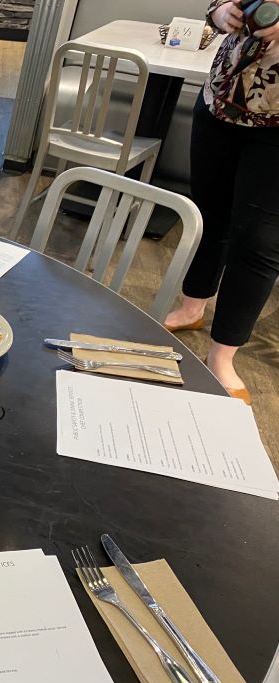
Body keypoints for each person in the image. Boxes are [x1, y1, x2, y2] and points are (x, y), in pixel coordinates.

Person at [164, 0, 279, 404]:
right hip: (220, 103)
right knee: (210, 216)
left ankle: (223, 354)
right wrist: (219, 11)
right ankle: (192, 305)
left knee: (261, 242)